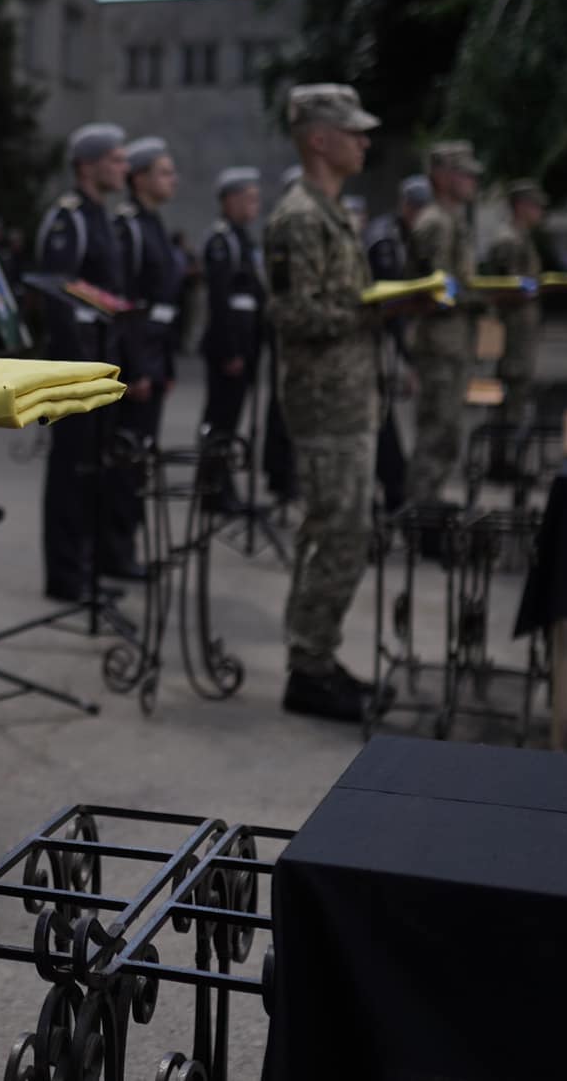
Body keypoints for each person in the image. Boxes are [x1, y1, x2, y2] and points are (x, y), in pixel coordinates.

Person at [266, 85, 387, 722]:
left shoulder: (332, 212)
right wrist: (376, 307)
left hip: (349, 397)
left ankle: (317, 657)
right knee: (335, 533)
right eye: (352, 131)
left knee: (347, 532)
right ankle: (308, 668)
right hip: (323, 404)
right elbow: (293, 313)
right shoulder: (299, 218)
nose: (364, 141)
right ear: (318, 138)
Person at [37, 121, 143, 597]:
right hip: (76, 370)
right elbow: (56, 296)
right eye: (116, 160)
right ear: (87, 165)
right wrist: (78, 369)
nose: (124, 168)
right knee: (71, 471)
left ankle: (89, 566)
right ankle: (66, 575)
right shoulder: (71, 219)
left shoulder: (104, 218)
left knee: (95, 470)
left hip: (104, 365)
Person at [113, 137, 182, 558]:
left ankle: (129, 545)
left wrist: (167, 366)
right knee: (127, 460)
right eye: (164, 172)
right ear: (138, 179)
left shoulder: (155, 225)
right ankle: (118, 550)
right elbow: (126, 304)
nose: (173, 179)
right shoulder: (130, 228)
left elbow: (167, 308)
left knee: (142, 457)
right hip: (138, 360)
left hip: (156, 357)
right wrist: (134, 368)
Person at [403, 140, 481, 509]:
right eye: (463, 173)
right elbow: (438, 289)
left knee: (447, 431)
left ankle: (427, 506)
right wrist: (484, 295)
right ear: (441, 176)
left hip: (453, 341)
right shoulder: (436, 223)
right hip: (437, 342)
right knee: (436, 431)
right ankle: (422, 512)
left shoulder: (453, 221)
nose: (471, 180)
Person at [199, 166, 264, 513]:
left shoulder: (242, 238)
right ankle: (212, 488)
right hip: (230, 345)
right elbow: (220, 301)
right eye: (248, 198)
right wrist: (231, 350)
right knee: (221, 420)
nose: (254, 204)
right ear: (229, 200)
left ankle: (223, 486)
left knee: (231, 420)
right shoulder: (222, 239)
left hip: (246, 341)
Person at [365, 175, 431, 514]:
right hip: (373, 341)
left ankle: (392, 490)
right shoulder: (385, 241)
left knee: (381, 421)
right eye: (417, 209)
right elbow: (392, 307)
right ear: (406, 206)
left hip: (384, 342)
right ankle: (392, 492)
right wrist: (410, 360)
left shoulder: (404, 237)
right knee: (378, 421)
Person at [481, 179, 548, 457]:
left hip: (521, 330)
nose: (540, 212)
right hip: (511, 331)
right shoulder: (508, 240)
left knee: (517, 395)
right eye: (536, 205)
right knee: (509, 395)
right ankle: (503, 457)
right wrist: (534, 290)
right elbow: (506, 289)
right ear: (520, 206)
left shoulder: (520, 237)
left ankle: (509, 456)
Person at [260, 165, 302, 506]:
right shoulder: (285, 226)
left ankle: (288, 474)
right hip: (289, 328)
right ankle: (281, 474)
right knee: (282, 405)